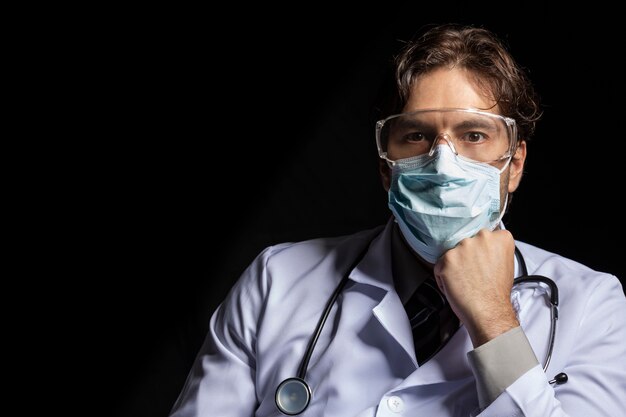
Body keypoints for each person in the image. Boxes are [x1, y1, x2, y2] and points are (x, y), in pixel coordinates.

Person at [169, 23, 626, 416]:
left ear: (515, 164)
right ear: (386, 164)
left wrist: (493, 319)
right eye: (416, 135)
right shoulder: (277, 280)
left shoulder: (592, 305)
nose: (444, 163)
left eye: (474, 135)